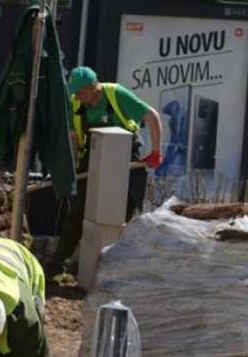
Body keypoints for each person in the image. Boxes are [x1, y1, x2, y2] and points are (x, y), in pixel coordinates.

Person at [46, 67, 164, 274]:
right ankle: (57, 265)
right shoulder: (75, 103)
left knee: (121, 216)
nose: (77, 97)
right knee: (78, 213)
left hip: (126, 159)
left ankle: (111, 269)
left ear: (93, 87)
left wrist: (156, 151)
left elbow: (151, 115)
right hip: (91, 158)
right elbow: (74, 137)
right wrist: (73, 167)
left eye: (80, 92)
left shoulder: (116, 94)